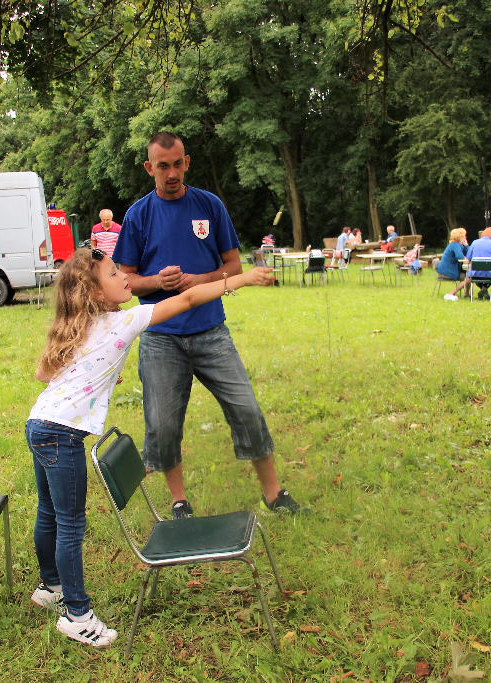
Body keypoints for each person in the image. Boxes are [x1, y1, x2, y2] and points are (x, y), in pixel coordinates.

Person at [26, 248, 274, 647]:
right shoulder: (124, 321)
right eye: (113, 274)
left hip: (39, 425)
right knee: (71, 525)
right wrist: (240, 279)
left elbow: (43, 373)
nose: (126, 276)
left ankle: (49, 587)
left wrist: (97, 377)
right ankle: (76, 614)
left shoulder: (74, 326)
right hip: (65, 433)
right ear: (94, 291)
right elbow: (188, 299)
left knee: (49, 513)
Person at [113, 132, 309, 519]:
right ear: (149, 168)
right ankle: (179, 502)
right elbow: (126, 281)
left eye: (177, 163)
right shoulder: (138, 215)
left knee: (247, 410)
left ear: (187, 162)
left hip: (210, 330)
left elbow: (233, 267)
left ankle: (273, 495)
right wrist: (158, 283)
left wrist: (197, 281)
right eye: (162, 166)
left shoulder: (210, 205)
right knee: (163, 425)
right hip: (160, 336)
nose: (171, 173)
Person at [453, 226, 491, 300]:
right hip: (489, 272)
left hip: (475, 272)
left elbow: (468, 258)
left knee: (471, 277)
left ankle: (471, 292)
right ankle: (486, 289)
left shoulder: (475, 242)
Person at [441, 228, 469, 300]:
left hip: (448, 270)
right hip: (448, 271)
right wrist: (467, 259)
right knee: (469, 277)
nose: (465, 238)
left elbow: (469, 254)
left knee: (469, 274)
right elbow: (460, 256)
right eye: (464, 236)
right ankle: (452, 293)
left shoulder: (458, 245)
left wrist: (466, 246)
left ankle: (466, 294)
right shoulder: (455, 245)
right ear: (460, 237)